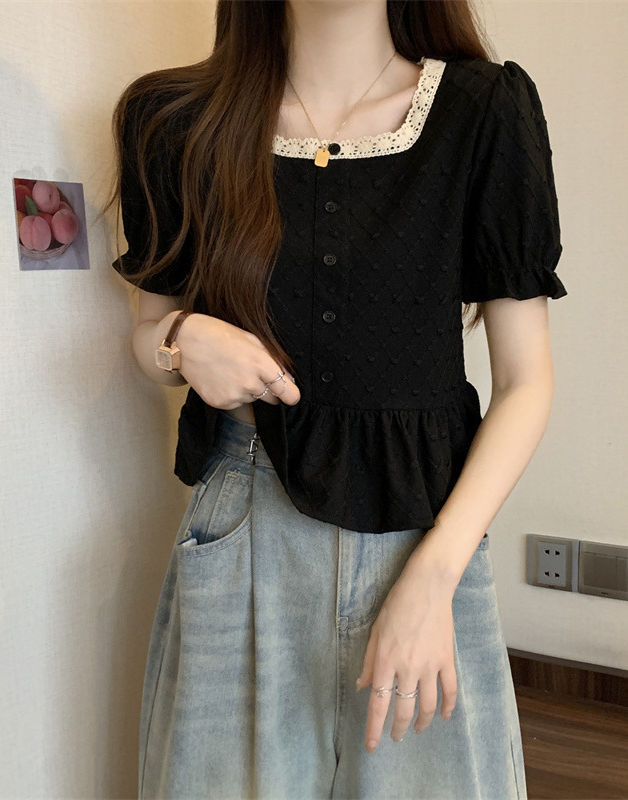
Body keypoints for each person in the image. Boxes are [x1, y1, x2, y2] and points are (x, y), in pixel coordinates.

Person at [107, 0, 567, 797]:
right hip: (244, 529)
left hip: (426, 537)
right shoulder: (175, 120)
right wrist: (182, 338)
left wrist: (434, 578)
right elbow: (148, 334)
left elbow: (527, 382)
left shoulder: (484, 111)